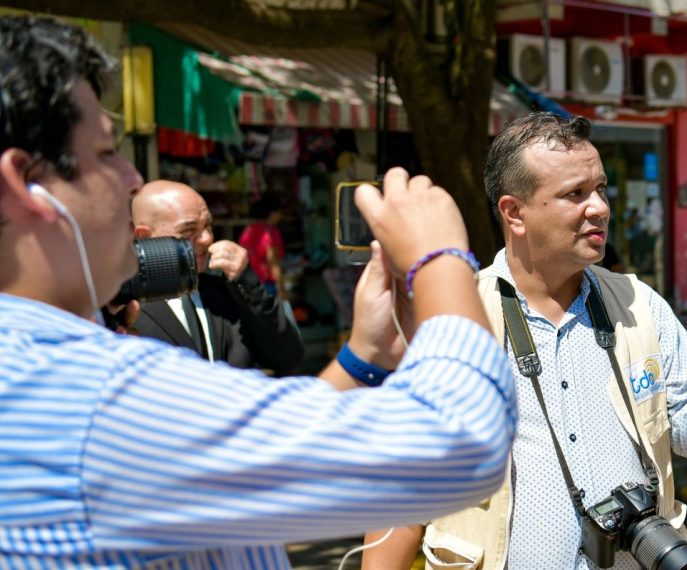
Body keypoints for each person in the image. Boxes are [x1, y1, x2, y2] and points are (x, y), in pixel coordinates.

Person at [0, 15, 514, 568]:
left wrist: (364, 355)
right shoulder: (89, 390)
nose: (130, 177)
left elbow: (258, 450)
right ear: (23, 184)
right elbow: (463, 445)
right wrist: (440, 258)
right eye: (106, 152)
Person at [362, 112, 687, 570]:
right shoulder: (454, 316)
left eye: (600, 189)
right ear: (514, 213)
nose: (599, 207)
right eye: (574, 194)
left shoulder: (640, 305)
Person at [131, 180, 305, 373]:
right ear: (144, 236)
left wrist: (247, 281)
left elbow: (289, 358)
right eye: (188, 231)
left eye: (208, 226)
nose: (206, 238)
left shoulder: (226, 293)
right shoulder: (125, 307)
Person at [240, 192, 286, 298]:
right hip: (266, 284)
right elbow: (273, 262)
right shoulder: (270, 233)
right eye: (279, 213)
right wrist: (282, 290)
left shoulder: (248, 230)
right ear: (272, 213)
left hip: (247, 282)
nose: (280, 217)